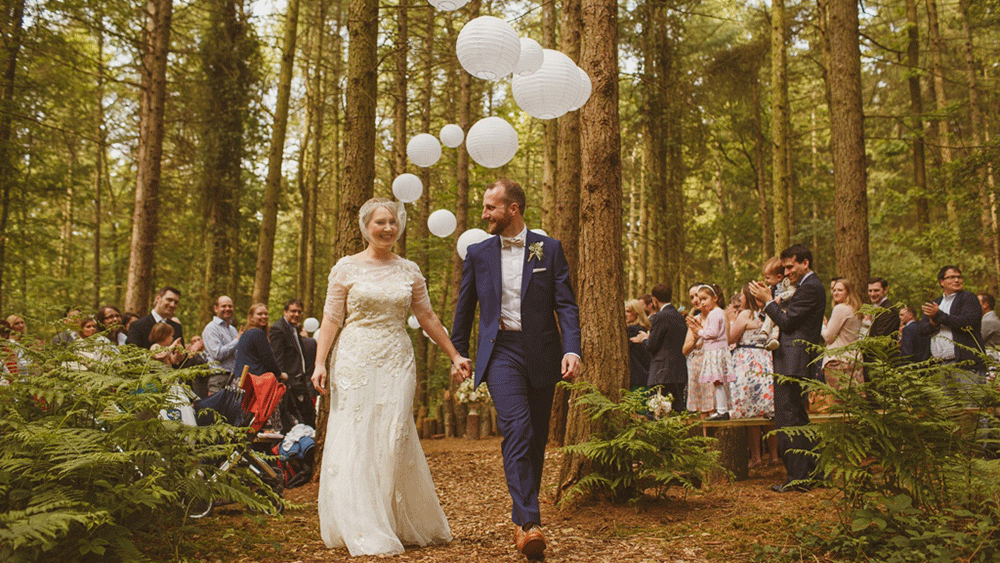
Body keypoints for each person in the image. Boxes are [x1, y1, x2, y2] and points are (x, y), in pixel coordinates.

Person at [311, 197, 461, 557]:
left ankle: (393, 519)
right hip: (354, 358)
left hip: (396, 358)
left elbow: (427, 318)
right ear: (366, 227)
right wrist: (320, 362)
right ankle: (360, 522)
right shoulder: (345, 268)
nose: (388, 228)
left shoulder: (409, 270)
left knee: (393, 434)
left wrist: (454, 354)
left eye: (393, 222)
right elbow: (331, 319)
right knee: (357, 434)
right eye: (380, 222)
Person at [450, 179, 581, 560]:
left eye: (491, 207)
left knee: (536, 439)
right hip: (501, 351)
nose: (485, 214)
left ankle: (521, 516)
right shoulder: (477, 253)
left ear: (514, 209)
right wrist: (458, 354)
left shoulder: (549, 249)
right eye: (485, 207)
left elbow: (566, 305)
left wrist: (572, 348)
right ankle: (530, 523)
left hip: (542, 352)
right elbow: (465, 308)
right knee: (517, 429)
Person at [749, 244, 825, 493]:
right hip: (792, 359)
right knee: (798, 417)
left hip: (795, 360)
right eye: (785, 267)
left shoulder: (810, 288)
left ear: (806, 263)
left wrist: (768, 301)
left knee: (788, 418)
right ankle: (813, 472)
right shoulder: (804, 288)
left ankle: (798, 477)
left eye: (791, 266)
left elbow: (788, 322)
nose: (788, 271)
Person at [918, 265, 984, 401]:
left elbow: (968, 321)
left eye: (959, 277)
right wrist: (933, 323)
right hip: (940, 365)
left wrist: (939, 315)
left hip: (965, 364)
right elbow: (922, 329)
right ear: (942, 282)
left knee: (972, 408)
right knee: (946, 412)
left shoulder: (968, 298)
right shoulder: (936, 302)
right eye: (952, 277)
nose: (957, 280)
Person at [729, 285, 777, 467]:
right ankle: (773, 456)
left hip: (747, 362)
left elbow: (731, 338)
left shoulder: (745, 314)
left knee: (750, 410)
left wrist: (732, 321)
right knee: (767, 410)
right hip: (765, 359)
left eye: (741, 295)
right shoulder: (769, 312)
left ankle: (756, 456)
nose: (740, 298)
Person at [636, 284, 687, 413]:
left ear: (655, 300)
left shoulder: (660, 317)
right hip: (679, 371)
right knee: (677, 412)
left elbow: (652, 345)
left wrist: (644, 339)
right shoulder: (680, 317)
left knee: (656, 412)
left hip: (661, 373)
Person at [686, 284, 732, 421]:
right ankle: (722, 409)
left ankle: (722, 410)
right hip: (717, 350)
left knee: (717, 381)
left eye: (705, 299)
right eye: (701, 299)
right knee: (717, 381)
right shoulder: (719, 313)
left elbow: (712, 333)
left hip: (715, 352)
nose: (702, 302)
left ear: (715, 298)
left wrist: (698, 332)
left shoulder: (714, 313)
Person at [816, 278, 863, 411]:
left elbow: (828, 336)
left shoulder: (840, 309)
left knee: (838, 405)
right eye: (834, 290)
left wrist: (823, 324)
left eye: (840, 290)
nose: (835, 292)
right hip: (854, 360)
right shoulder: (856, 310)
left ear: (848, 292)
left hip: (838, 361)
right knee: (854, 405)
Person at [270, 298, 315, 430]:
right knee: (294, 422)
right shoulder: (278, 329)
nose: (296, 315)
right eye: (293, 311)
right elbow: (278, 358)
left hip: (301, 382)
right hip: (289, 384)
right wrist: (283, 381)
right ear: (285, 312)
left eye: (299, 312)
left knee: (309, 419)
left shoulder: (295, 329)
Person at [684, 284, 714, 416]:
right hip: (697, 365)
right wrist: (695, 338)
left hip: (714, 363)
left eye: (697, 295)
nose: (695, 300)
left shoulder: (718, 315)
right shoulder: (695, 320)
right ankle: (704, 436)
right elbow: (685, 350)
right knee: (702, 408)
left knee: (714, 406)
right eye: (691, 297)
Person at [233, 304, 282, 381]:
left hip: (242, 378)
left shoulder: (246, 333)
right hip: (253, 381)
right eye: (259, 314)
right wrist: (280, 374)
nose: (264, 316)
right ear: (251, 317)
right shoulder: (257, 333)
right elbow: (268, 359)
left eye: (265, 314)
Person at [126, 287, 183, 352]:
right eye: (169, 300)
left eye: (176, 302)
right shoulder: (137, 325)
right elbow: (131, 354)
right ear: (158, 298)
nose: (172, 305)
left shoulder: (177, 327)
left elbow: (183, 358)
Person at [759, 258, 796, 351]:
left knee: (776, 323)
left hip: (784, 309)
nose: (766, 280)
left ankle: (772, 337)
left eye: (768, 278)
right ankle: (765, 336)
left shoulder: (786, 283)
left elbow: (792, 291)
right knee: (770, 317)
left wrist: (781, 296)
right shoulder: (772, 287)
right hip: (775, 309)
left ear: (779, 277)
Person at [623, 299, 651, 392]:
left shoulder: (633, 330)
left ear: (636, 313)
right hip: (645, 377)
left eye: (628, 311)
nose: (625, 314)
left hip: (637, 378)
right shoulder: (644, 329)